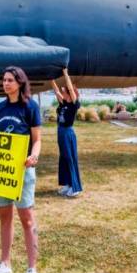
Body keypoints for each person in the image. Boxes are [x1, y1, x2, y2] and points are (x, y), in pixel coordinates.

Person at [0, 66, 42, 273]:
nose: (6, 83)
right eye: (4, 80)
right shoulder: (0, 108)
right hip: (2, 173)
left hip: (23, 172)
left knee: (27, 220)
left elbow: (37, 140)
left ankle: (31, 270)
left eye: (10, 80)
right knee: (4, 217)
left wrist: (34, 155)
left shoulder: (30, 107)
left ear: (19, 82)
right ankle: (5, 265)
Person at [50, 68, 82, 198]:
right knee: (63, 158)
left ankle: (75, 188)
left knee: (70, 158)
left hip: (68, 133)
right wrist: (50, 77)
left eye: (64, 91)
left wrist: (65, 73)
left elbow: (68, 86)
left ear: (69, 94)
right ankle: (67, 184)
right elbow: (56, 90)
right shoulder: (62, 103)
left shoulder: (74, 104)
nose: (62, 92)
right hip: (60, 132)